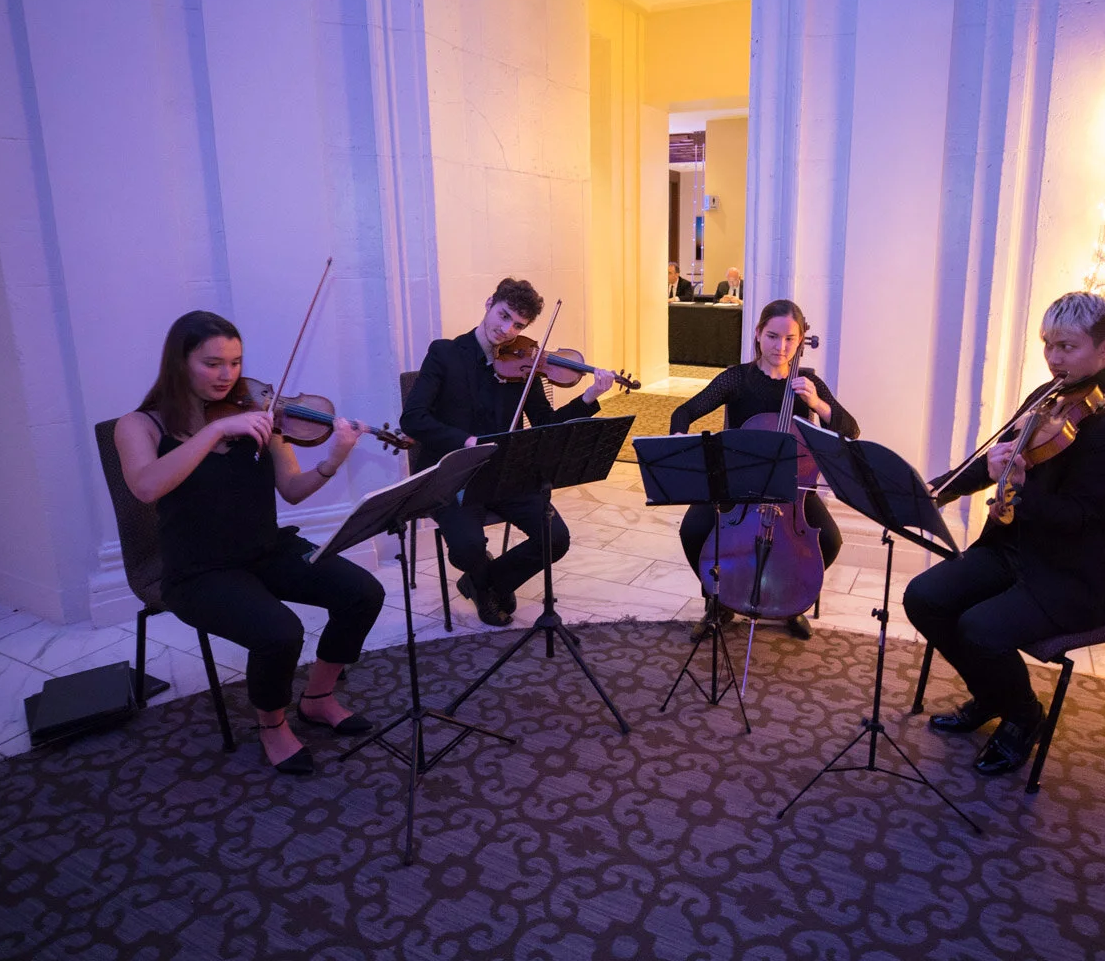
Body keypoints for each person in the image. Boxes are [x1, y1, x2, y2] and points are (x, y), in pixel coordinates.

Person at [114, 310, 385, 776]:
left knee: (362, 592)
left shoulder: (259, 414)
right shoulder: (140, 426)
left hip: (265, 549)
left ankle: (318, 697)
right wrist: (215, 431)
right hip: (198, 570)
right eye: (212, 363)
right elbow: (146, 486)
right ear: (179, 363)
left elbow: (292, 490)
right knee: (280, 633)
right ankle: (272, 726)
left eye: (235, 362)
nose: (228, 375)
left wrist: (334, 459)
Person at [903, 291, 1105, 776]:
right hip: (1012, 549)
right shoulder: (1047, 396)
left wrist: (1020, 487)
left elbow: (1081, 518)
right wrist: (937, 490)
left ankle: (1023, 715)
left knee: (979, 628)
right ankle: (993, 694)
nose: (1053, 358)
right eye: (1047, 344)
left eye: (1067, 346)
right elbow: (999, 457)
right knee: (923, 598)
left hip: (1069, 572)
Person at [400, 278, 617, 626]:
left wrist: (589, 397)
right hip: (454, 473)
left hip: (504, 471)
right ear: (489, 303)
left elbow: (546, 423)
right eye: (503, 316)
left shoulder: (525, 365)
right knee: (466, 548)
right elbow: (412, 418)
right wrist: (466, 441)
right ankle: (483, 577)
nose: (507, 330)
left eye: (518, 325)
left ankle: (486, 583)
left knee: (556, 538)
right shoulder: (445, 354)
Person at [669, 298, 858, 640]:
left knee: (830, 540)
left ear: (800, 341)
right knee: (693, 531)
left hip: (791, 488)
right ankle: (718, 601)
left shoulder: (808, 383)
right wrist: (680, 439)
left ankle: (790, 600)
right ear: (757, 334)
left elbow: (851, 431)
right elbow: (683, 412)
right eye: (772, 336)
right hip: (740, 483)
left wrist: (817, 404)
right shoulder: (737, 379)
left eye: (789, 339)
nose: (780, 347)